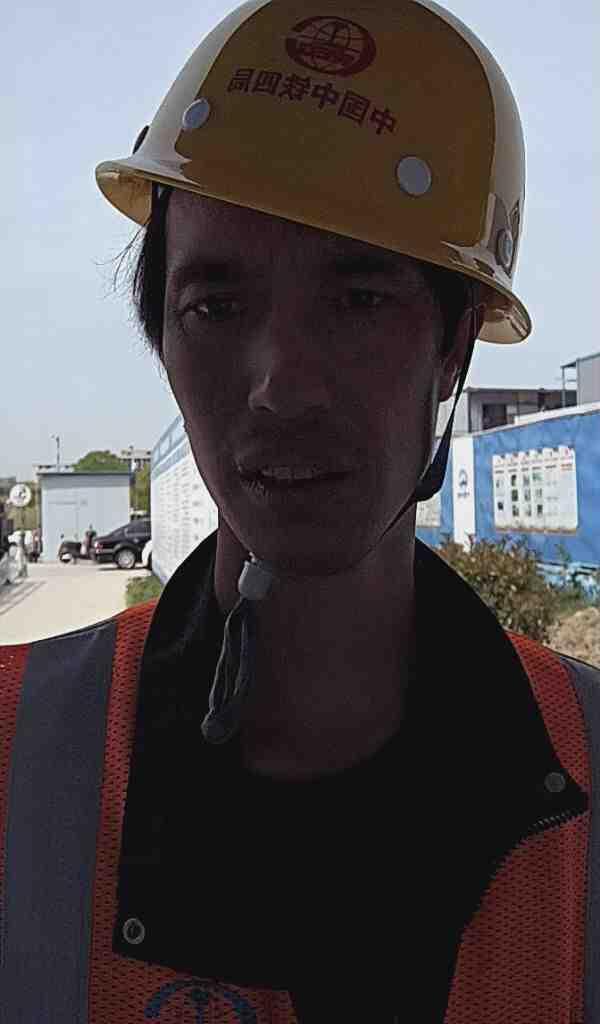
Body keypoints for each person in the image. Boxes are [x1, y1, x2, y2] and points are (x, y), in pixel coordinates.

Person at [1, 3, 598, 1022]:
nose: (281, 388)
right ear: (162, 335)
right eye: (215, 307)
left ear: (453, 345)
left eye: (358, 299)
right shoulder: (19, 751)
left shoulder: (584, 757)